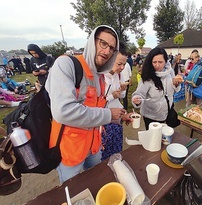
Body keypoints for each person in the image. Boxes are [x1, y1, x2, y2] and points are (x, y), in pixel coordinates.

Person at [45, 25, 126, 183]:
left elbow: (98, 108)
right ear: (92, 41)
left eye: (111, 48)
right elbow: (64, 111)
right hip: (70, 151)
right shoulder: (66, 65)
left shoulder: (100, 76)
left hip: (94, 146)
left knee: (96, 183)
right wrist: (109, 114)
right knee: (74, 194)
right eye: (103, 43)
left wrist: (118, 117)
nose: (107, 51)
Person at [131, 47, 182, 130]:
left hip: (167, 110)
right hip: (151, 115)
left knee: (166, 136)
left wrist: (176, 84)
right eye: (154, 62)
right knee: (153, 139)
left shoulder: (170, 72)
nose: (157, 65)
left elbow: (174, 89)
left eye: (160, 62)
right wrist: (137, 99)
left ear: (166, 61)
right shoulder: (147, 76)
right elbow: (139, 93)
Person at [101, 43, 133, 161]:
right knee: (104, 155)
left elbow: (119, 96)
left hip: (117, 118)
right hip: (105, 121)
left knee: (116, 150)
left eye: (124, 64)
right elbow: (97, 104)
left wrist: (121, 90)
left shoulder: (117, 76)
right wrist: (110, 96)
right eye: (119, 64)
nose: (122, 67)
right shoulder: (101, 77)